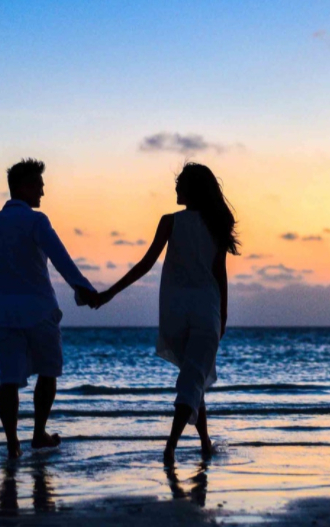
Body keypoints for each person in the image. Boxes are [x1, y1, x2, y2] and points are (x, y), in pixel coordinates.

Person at [96, 163, 238, 465]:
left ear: (191, 189)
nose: (175, 188)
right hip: (206, 313)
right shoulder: (215, 224)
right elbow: (220, 275)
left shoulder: (170, 222)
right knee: (191, 380)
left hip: (175, 315)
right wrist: (223, 316)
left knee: (193, 378)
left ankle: (204, 442)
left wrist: (109, 293)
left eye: (179, 184)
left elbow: (145, 265)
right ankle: (170, 448)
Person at [0, 158, 98, 459]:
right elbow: (60, 258)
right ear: (23, 186)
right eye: (39, 186)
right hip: (38, 310)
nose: (42, 193)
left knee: (9, 379)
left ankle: (12, 443)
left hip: (4, 311)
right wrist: (84, 289)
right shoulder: (36, 221)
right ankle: (38, 433)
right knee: (48, 372)